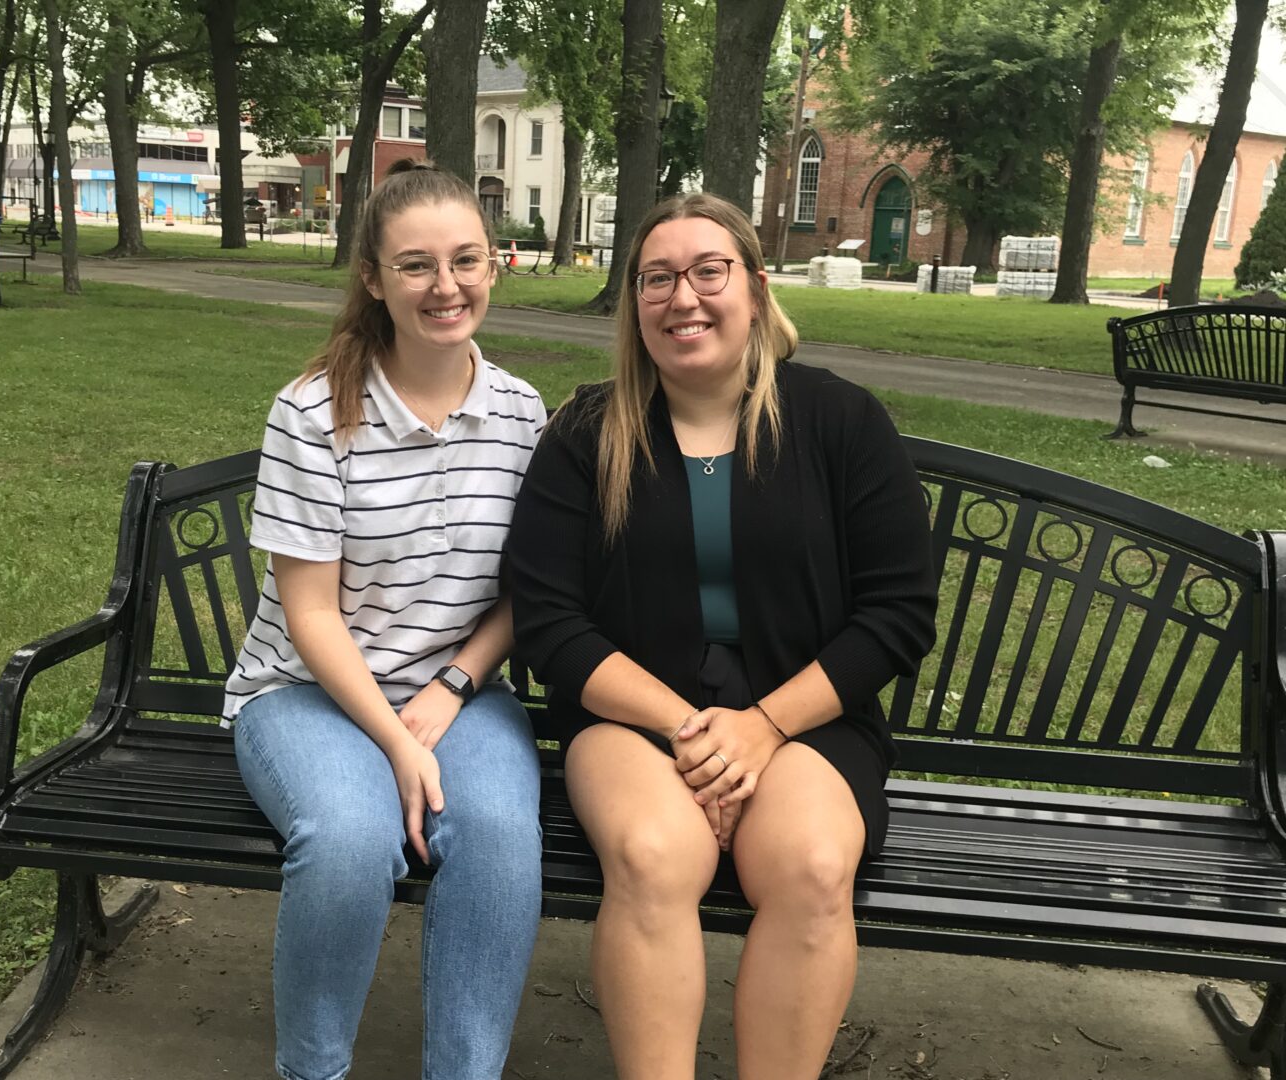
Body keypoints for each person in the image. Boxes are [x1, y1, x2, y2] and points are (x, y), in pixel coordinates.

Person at [505, 192, 937, 1079]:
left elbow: (897, 614)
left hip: (807, 720)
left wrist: (764, 726)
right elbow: (549, 622)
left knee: (815, 866)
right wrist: (691, 730)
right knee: (652, 853)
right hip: (633, 719)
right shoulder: (587, 433)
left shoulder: (839, 423)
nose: (683, 297)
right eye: (657, 278)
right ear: (633, 302)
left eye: (709, 271)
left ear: (755, 287)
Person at [223, 159, 548, 1080]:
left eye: (466, 260)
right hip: (304, 691)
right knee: (350, 841)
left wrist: (453, 687)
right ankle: (312, 1071)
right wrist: (399, 744)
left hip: (461, 692)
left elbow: (528, 593)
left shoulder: (522, 415)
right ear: (373, 277)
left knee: (496, 840)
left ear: (495, 264)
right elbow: (311, 615)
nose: (446, 286)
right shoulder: (313, 412)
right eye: (416, 266)